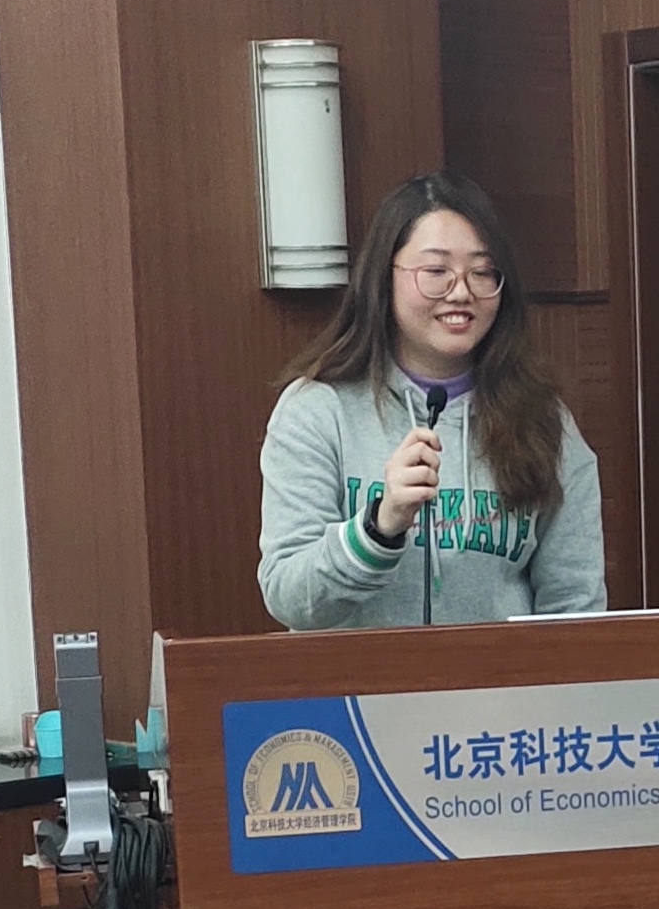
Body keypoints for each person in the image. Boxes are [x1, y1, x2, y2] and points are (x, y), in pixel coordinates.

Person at [258, 171, 604, 630]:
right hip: (357, 679)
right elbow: (289, 597)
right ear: (385, 277)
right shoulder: (318, 410)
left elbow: (575, 609)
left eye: (482, 272)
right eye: (436, 272)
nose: (461, 292)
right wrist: (378, 527)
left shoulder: (544, 419)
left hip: (498, 678)